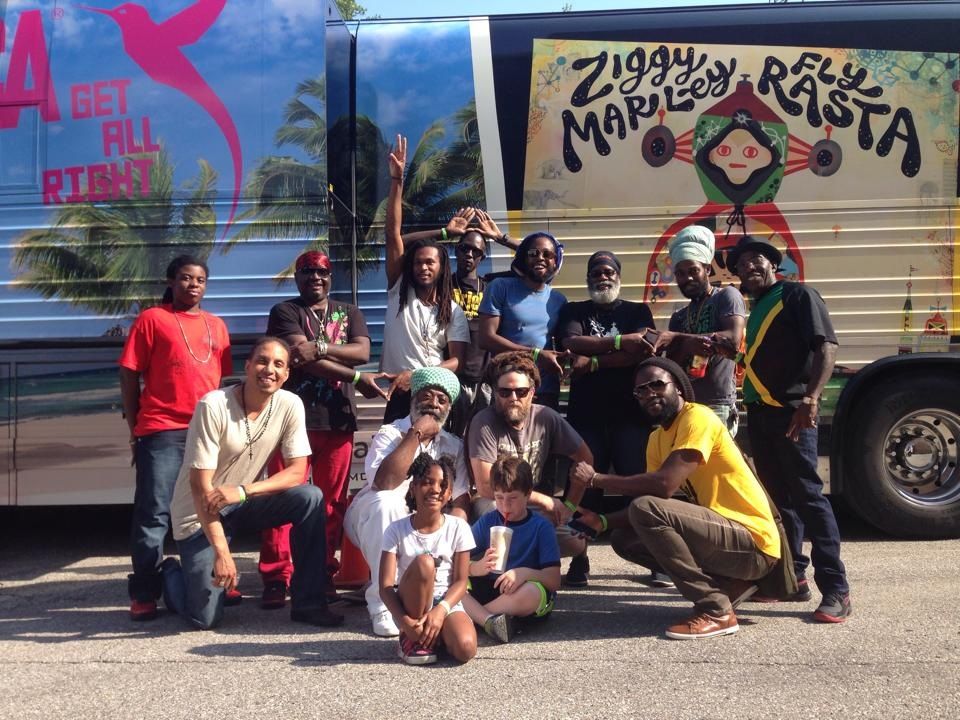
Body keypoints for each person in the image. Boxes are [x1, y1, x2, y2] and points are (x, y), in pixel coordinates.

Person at [569, 357, 782, 640]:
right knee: (625, 538)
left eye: (657, 384)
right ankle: (730, 585)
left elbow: (664, 485)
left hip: (753, 543)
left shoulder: (698, 417)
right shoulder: (657, 439)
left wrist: (596, 479)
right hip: (726, 538)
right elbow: (645, 504)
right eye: (641, 390)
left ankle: (716, 610)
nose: (649, 394)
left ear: (678, 387)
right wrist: (602, 521)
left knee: (647, 508)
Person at [160, 337, 343, 630]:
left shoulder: (290, 404)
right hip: (198, 514)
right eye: (262, 361)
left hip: (241, 502)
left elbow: (297, 472)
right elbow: (200, 487)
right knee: (205, 618)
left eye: (278, 364)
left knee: (310, 497)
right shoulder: (213, 405)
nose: (269, 369)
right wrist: (222, 554)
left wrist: (244, 491)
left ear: (286, 374)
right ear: (247, 367)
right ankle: (171, 574)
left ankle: (309, 604)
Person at [729, 235, 851, 623]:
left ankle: (836, 588)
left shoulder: (797, 295)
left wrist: (811, 399)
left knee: (809, 497)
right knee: (779, 501)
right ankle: (793, 578)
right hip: (761, 415)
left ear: (772, 264)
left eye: (756, 259)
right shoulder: (756, 308)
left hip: (792, 413)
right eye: (742, 264)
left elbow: (826, 346)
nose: (749, 267)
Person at [256, 250, 386, 610]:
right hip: (290, 419)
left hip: (337, 417)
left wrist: (324, 347)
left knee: (331, 504)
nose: (316, 277)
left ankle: (322, 573)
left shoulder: (350, 312)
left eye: (322, 272)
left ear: (331, 277)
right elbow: (303, 358)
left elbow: (362, 351)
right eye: (308, 271)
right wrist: (356, 378)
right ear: (297, 277)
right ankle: (277, 576)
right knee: (282, 496)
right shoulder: (285, 312)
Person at [119, 255, 233, 621]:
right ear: (171, 282)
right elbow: (129, 374)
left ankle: (220, 576)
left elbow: (222, 383)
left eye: (200, 279)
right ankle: (144, 592)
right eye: (185, 278)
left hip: (208, 430)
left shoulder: (217, 325)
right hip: (162, 429)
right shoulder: (153, 319)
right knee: (154, 514)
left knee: (214, 505)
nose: (193, 285)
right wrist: (135, 428)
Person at [343, 366, 471, 637]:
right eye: (427, 396)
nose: (433, 404)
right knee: (387, 502)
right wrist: (416, 434)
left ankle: (430, 600)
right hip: (374, 518)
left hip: (427, 524)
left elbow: (460, 500)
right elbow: (384, 483)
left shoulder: (454, 445)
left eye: (442, 400)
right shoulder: (391, 433)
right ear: (414, 399)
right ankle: (382, 604)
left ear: (448, 408)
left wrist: (455, 531)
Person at [558, 249, 656, 586]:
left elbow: (642, 351)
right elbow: (572, 342)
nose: (603, 277)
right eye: (596, 272)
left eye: (608, 272)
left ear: (618, 276)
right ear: (588, 278)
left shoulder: (638, 311)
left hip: (631, 416)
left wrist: (596, 360)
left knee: (637, 486)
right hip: (586, 417)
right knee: (584, 488)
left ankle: (654, 557)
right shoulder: (574, 311)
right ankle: (579, 560)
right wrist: (620, 341)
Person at [466, 351, 591, 577]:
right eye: (505, 392)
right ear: (495, 393)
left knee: (575, 542)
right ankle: (504, 570)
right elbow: (485, 486)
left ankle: (534, 560)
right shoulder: (483, 422)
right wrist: (545, 500)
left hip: (529, 505)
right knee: (497, 513)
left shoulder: (546, 417)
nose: (513, 398)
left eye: (521, 391)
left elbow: (586, 459)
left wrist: (569, 507)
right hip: (496, 501)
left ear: (532, 393)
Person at [380, 135, 469, 423]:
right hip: (399, 391)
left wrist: (417, 375)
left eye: (430, 262)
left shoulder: (452, 310)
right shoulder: (399, 291)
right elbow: (393, 235)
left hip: (434, 391)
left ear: (442, 268)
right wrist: (397, 180)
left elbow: (457, 361)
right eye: (418, 262)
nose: (423, 267)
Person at [379, 455, 477, 665]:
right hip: (411, 604)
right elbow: (385, 587)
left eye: (442, 485)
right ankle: (411, 639)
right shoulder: (396, 530)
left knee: (466, 648)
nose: (435, 489)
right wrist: (405, 623)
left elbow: (461, 582)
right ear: (413, 488)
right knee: (425, 562)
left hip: (445, 601)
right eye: (427, 482)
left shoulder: (458, 527)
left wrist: (441, 611)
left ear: (449, 494)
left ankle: (434, 636)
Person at [654, 225, 745, 434]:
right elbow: (673, 365)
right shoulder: (679, 316)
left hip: (718, 406)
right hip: (686, 405)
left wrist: (680, 339)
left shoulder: (726, 296)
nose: (687, 278)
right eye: (680, 273)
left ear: (708, 269)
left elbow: (732, 339)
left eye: (693, 271)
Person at [464, 456, 561, 644]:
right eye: (499, 497)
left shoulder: (541, 527)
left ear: (528, 494)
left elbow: (554, 580)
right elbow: (455, 558)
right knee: (451, 581)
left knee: (531, 592)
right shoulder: (489, 521)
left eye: (513, 498)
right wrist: (475, 568)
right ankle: (491, 621)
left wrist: (523, 573)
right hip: (492, 587)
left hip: (522, 594)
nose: (505, 505)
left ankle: (474, 617)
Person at [478, 231, 568, 409]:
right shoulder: (500, 287)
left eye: (547, 254)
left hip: (545, 390)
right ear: (523, 258)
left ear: (555, 262)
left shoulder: (559, 299)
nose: (540, 258)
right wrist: (534, 354)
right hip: (508, 388)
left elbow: (562, 344)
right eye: (533, 253)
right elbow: (486, 338)